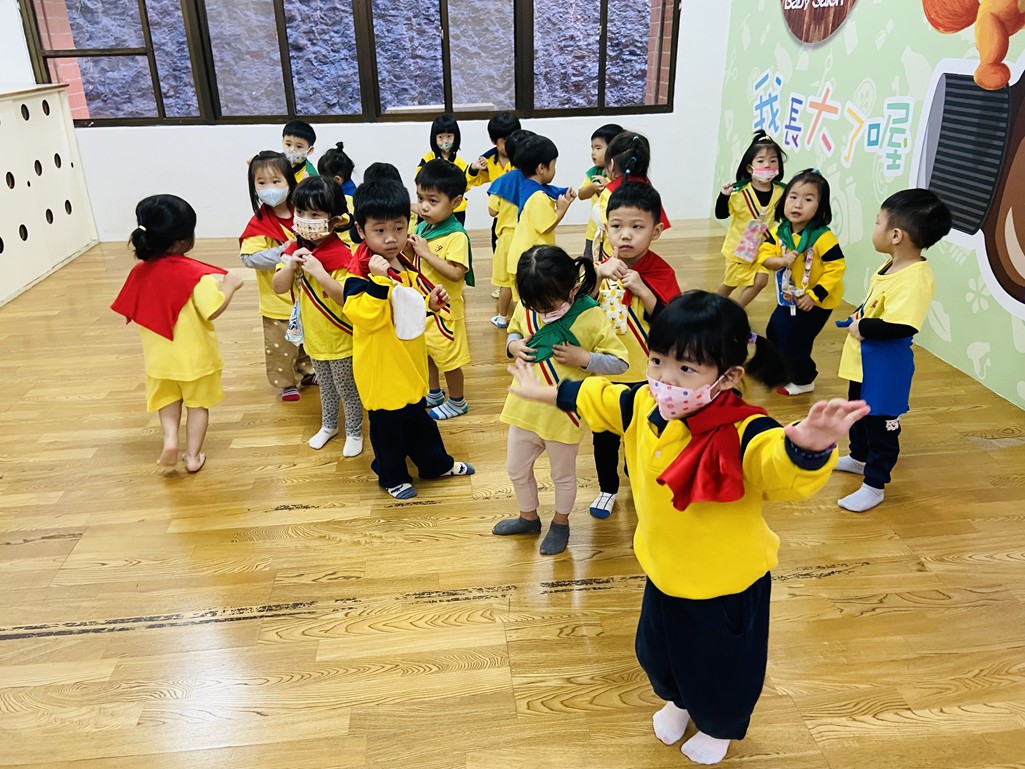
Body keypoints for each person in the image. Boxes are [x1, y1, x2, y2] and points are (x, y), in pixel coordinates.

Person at [506, 290, 870, 765]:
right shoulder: (644, 404)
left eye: (686, 369)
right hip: (663, 571)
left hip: (726, 585)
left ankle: (718, 726)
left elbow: (776, 469)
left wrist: (807, 448)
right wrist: (550, 392)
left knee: (722, 667)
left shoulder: (745, 430)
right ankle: (678, 700)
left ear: (728, 376)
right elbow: (603, 397)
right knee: (658, 652)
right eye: (657, 361)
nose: (665, 379)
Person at [344, 179, 475, 499]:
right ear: (361, 230)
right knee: (388, 432)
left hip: (410, 368)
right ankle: (391, 476)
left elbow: (409, 305)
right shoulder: (359, 273)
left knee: (420, 425)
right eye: (380, 230)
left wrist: (430, 304)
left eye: (399, 228)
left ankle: (435, 465)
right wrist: (378, 283)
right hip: (382, 374)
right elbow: (363, 316)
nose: (391, 238)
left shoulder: (403, 263)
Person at [493, 245, 628, 554]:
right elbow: (514, 330)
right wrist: (513, 346)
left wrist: (585, 359)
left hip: (563, 414)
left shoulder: (592, 315)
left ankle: (561, 522)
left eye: (548, 304)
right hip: (523, 408)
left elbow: (620, 362)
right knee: (516, 469)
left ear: (573, 289)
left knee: (562, 477)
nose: (541, 311)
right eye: (534, 305)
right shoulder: (528, 305)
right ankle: (528, 517)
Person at [835, 189, 952, 512]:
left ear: (896, 235)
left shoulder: (915, 278)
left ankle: (874, 485)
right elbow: (878, 305)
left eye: (878, 222)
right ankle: (859, 457)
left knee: (880, 427)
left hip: (885, 370)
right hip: (863, 364)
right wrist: (859, 316)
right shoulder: (891, 266)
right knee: (857, 415)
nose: (874, 228)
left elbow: (902, 326)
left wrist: (863, 327)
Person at [111, 194, 244, 473]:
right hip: (196, 361)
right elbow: (212, 310)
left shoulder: (139, 273)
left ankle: (170, 439)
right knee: (197, 406)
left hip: (159, 361)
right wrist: (230, 286)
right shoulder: (195, 276)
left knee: (168, 401)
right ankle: (192, 456)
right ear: (184, 240)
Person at [589, 182, 681, 518]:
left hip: (645, 375)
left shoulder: (660, 272)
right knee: (603, 434)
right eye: (617, 226)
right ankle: (607, 488)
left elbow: (673, 324)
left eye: (637, 227)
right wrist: (596, 276)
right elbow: (575, 309)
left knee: (641, 432)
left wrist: (645, 291)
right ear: (606, 227)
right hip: (603, 370)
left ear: (656, 231)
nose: (625, 235)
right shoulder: (598, 267)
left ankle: (637, 476)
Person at [271, 176, 364, 456]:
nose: (304, 219)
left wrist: (320, 272)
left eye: (315, 214)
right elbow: (278, 286)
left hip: (340, 337)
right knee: (325, 386)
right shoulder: (293, 249)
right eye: (300, 212)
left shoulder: (341, 254)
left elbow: (345, 297)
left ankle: (355, 431)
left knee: (347, 389)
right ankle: (329, 426)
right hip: (313, 337)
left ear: (334, 221)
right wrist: (291, 266)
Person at [758, 169, 845, 396]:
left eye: (808, 199)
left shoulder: (823, 237)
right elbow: (764, 255)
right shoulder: (780, 232)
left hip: (816, 302)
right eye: (793, 197)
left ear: (820, 206)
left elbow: (836, 268)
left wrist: (814, 296)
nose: (798, 204)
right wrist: (780, 260)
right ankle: (782, 371)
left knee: (794, 341)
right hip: (789, 297)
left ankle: (804, 379)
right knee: (774, 331)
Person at [239, 150, 316, 402]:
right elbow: (249, 258)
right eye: (262, 183)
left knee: (307, 338)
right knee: (281, 345)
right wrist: (282, 252)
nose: (270, 188)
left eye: (276, 181)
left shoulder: (303, 213)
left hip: (307, 294)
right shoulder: (259, 223)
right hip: (277, 301)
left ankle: (307, 371)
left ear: (289, 181)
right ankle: (286, 382)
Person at [410, 159, 474, 421]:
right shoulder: (423, 226)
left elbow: (456, 273)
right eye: (420, 198)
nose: (424, 206)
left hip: (445, 312)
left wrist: (425, 253)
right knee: (427, 353)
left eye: (433, 201)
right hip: (424, 306)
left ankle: (458, 401)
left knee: (449, 360)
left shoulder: (456, 236)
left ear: (456, 202)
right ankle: (434, 392)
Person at [715, 131, 787, 307]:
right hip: (739, 249)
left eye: (773, 161)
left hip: (764, 249)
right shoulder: (739, 192)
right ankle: (713, 306)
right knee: (730, 283)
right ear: (749, 168)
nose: (767, 165)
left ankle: (736, 312)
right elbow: (721, 214)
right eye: (761, 161)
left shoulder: (782, 192)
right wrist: (724, 196)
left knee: (761, 281)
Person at [505, 134, 577, 300]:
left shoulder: (527, 186)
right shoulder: (538, 196)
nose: (555, 170)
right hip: (530, 264)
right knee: (531, 305)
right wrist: (562, 209)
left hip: (521, 259)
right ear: (542, 168)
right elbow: (547, 226)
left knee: (524, 305)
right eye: (554, 165)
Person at [592, 131, 671, 261]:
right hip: (641, 255)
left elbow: (600, 219)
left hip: (613, 255)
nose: (626, 236)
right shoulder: (648, 190)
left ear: (611, 164)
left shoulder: (611, 191)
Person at [468, 111, 522, 301]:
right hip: (501, 215)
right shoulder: (488, 159)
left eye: (513, 137)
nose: (510, 143)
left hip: (523, 211)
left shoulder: (524, 155)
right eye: (504, 140)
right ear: (494, 141)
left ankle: (521, 282)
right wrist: (474, 168)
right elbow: (473, 181)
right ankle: (503, 283)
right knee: (499, 250)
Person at [487, 128, 535, 328]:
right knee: (526, 281)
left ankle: (502, 317)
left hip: (506, 239)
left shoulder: (502, 182)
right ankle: (528, 320)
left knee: (506, 283)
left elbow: (492, 211)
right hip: (527, 238)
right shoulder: (534, 182)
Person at [414, 114, 472, 225]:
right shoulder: (428, 158)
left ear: (456, 137)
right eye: (440, 137)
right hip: (430, 209)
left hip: (456, 211)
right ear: (434, 138)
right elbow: (418, 178)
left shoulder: (461, 163)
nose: (445, 141)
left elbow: (466, 186)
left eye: (449, 136)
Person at [578, 123, 624, 258]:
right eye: (592, 148)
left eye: (598, 148)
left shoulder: (621, 175)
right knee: (590, 260)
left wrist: (609, 185)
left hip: (613, 233)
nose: (593, 153)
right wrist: (592, 187)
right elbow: (581, 194)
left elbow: (623, 197)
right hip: (594, 231)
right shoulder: (593, 173)